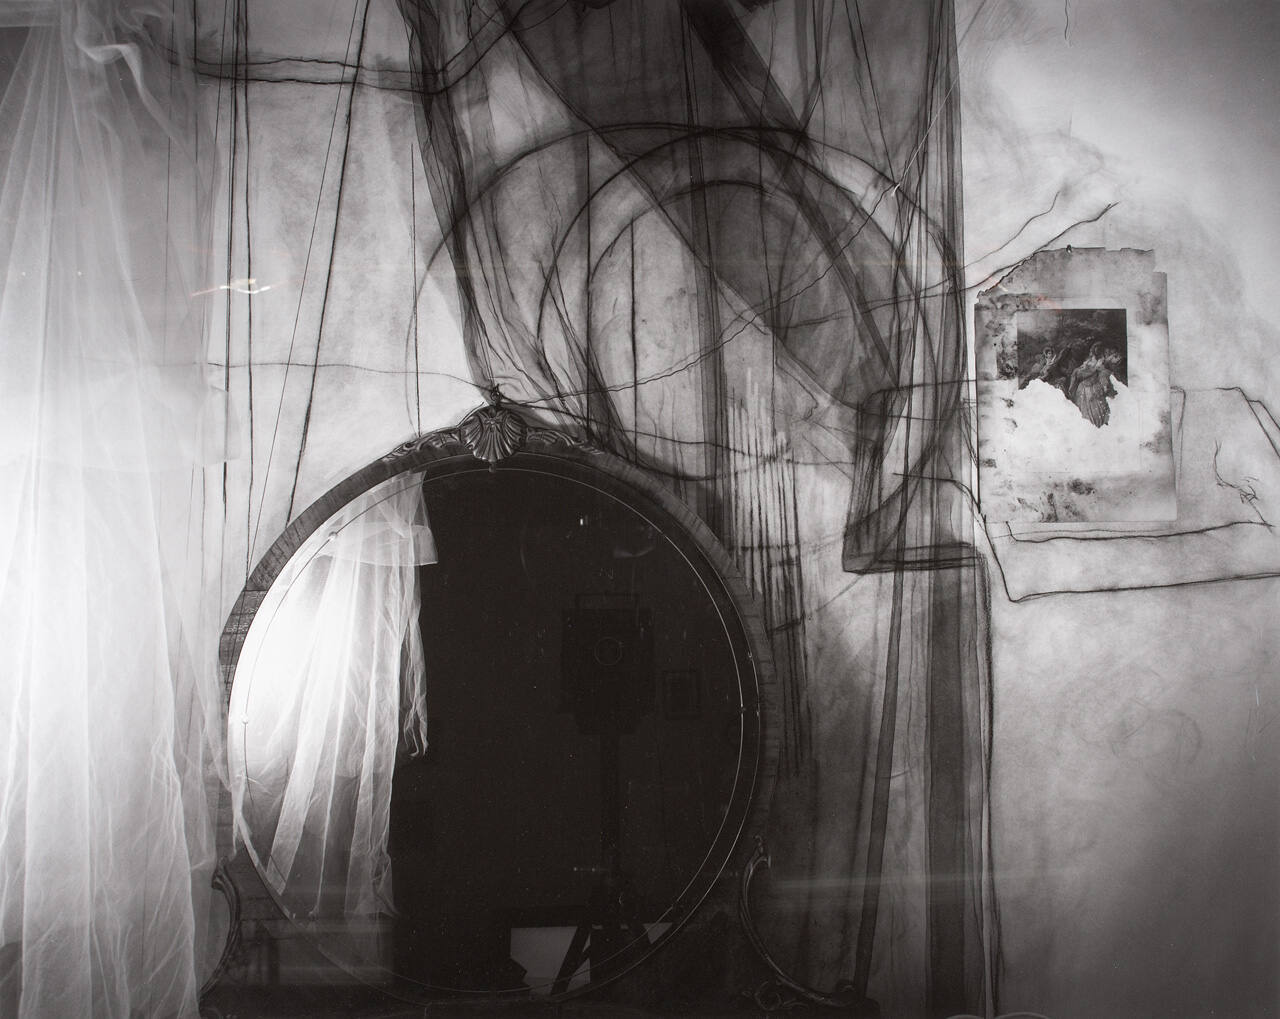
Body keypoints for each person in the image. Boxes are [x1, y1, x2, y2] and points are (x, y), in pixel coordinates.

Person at [1067, 343, 1119, 427]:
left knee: (1098, 409)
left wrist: (1094, 370)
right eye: (1094, 350)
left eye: (1097, 350)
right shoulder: (1089, 360)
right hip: (1084, 388)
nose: (1094, 352)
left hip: (1094, 386)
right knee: (1085, 411)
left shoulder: (1101, 361)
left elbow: (1102, 372)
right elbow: (1081, 371)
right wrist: (1084, 370)